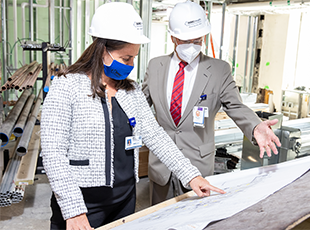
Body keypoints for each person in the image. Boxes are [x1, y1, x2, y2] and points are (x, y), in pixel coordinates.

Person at [40, 2, 224, 230]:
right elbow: (53, 153)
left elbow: (156, 136)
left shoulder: (131, 91)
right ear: (102, 50)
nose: (131, 64)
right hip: (84, 201)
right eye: (126, 58)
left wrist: (191, 176)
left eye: (133, 57)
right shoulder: (67, 88)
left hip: (125, 199)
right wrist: (73, 209)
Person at [142, 0, 281, 205]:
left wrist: (254, 127)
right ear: (173, 37)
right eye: (185, 40)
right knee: (157, 218)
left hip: (197, 164)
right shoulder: (156, 66)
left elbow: (235, 105)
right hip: (160, 165)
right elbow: (139, 105)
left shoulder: (218, 70)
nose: (192, 46)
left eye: (197, 40)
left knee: (193, 221)